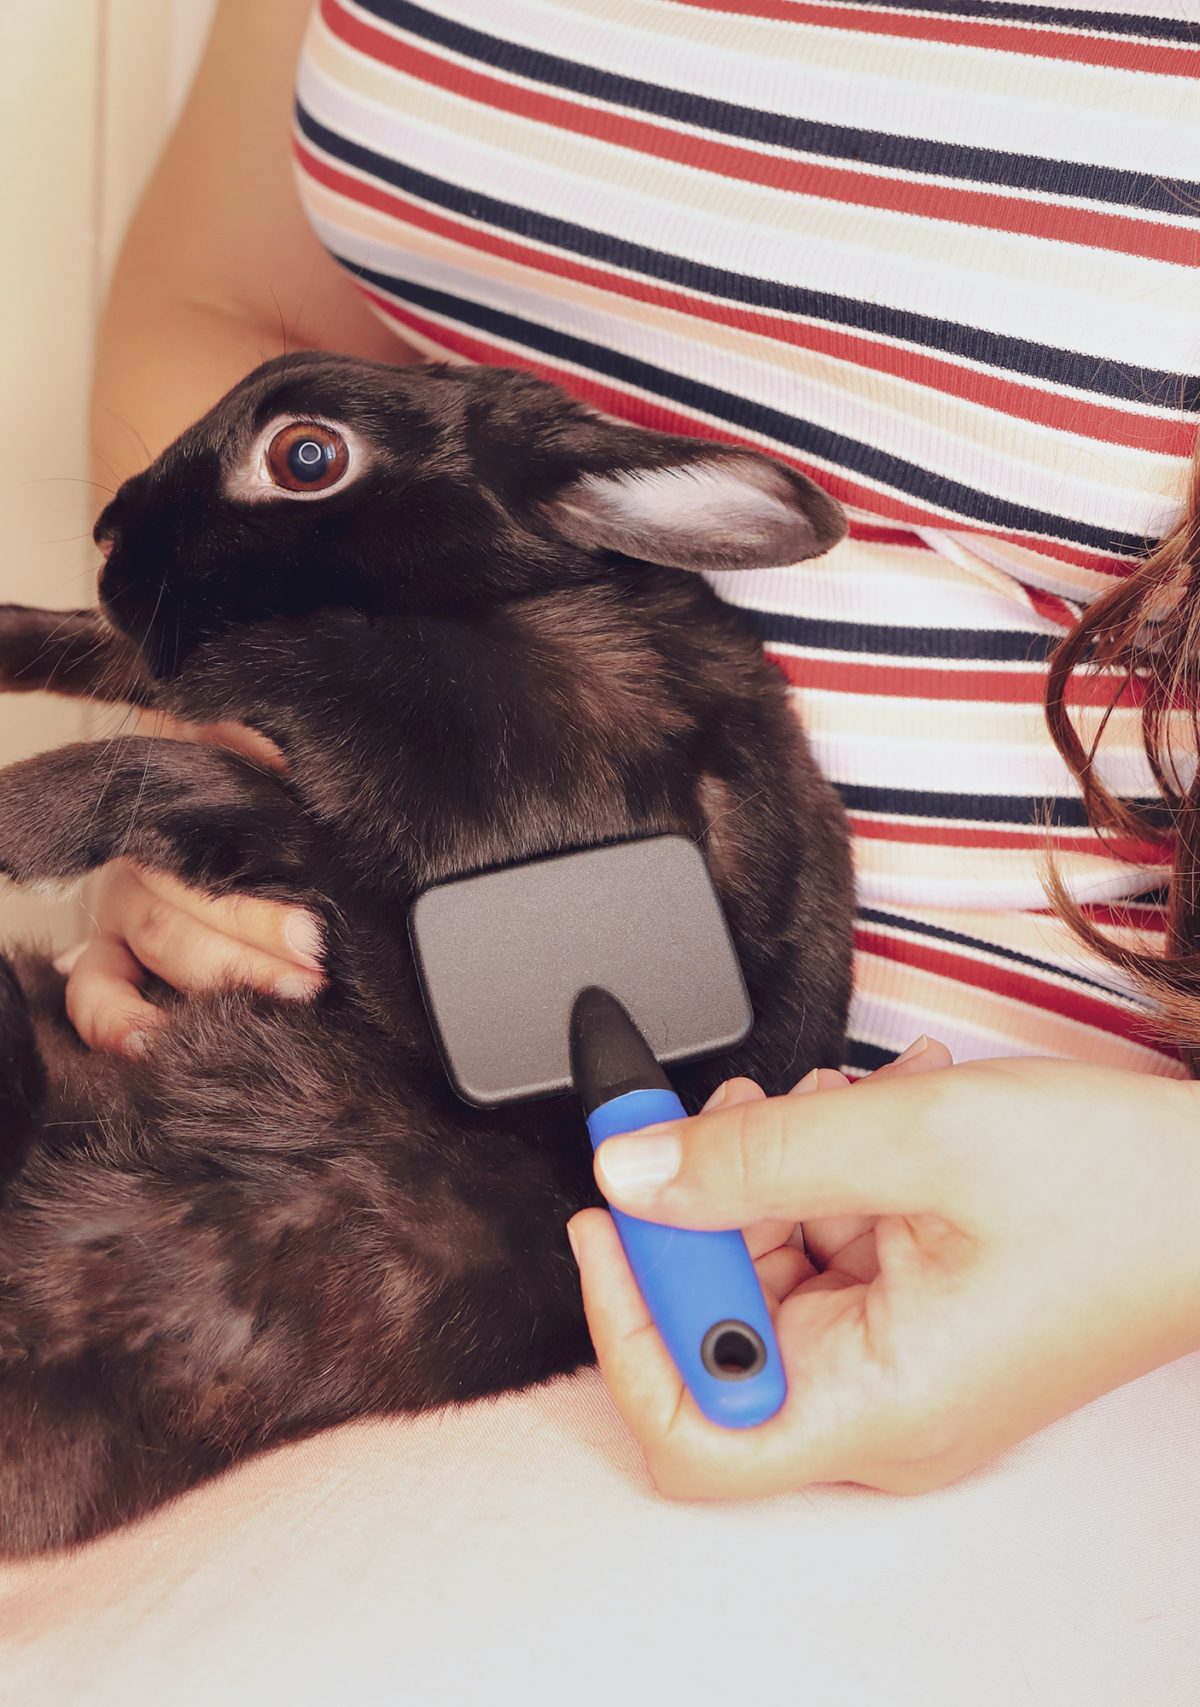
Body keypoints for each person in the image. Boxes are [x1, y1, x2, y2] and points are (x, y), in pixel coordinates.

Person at [78, 0, 1200, 1495]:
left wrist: (1177, 1227)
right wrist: (267, 736)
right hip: (327, 1090)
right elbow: (225, 302)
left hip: (1040, 1313)